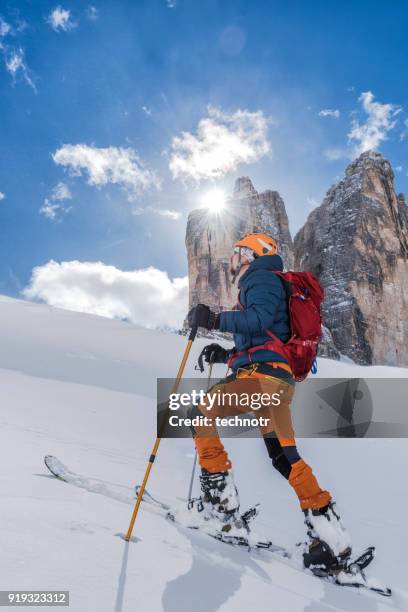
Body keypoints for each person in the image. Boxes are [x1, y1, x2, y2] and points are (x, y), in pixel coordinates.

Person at [187, 232, 351, 571]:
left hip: (260, 380)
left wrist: (214, 320)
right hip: (275, 382)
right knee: (284, 457)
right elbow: (264, 333)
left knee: (199, 411)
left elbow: (257, 319)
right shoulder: (273, 281)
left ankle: (221, 507)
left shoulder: (260, 276)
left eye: (239, 253)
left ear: (255, 252)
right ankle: (330, 536)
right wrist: (228, 353)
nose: (235, 260)